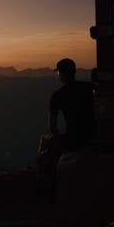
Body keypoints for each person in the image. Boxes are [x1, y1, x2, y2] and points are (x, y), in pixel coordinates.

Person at [37, 58, 96, 198]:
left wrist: (58, 141)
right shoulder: (89, 88)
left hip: (74, 139)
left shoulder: (57, 96)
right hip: (95, 135)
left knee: (44, 155)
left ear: (60, 74)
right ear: (74, 72)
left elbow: (53, 128)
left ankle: (51, 192)